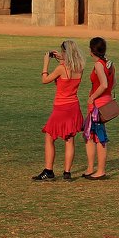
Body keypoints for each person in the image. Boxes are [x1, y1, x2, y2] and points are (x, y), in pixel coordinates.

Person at [33, 40, 85, 181]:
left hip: (61, 107)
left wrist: (46, 63)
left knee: (49, 137)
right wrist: (61, 58)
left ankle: (48, 170)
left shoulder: (61, 68)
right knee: (69, 139)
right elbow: (70, 67)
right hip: (74, 106)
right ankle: (67, 172)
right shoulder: (80, 67)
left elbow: (45, 80)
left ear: (64, 52)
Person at [81, 36, 115, 180]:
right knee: (90, 135)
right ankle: (90, 168)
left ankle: (100, 170)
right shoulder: (110, 64)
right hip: (105, 102)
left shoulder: (99, 65)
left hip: (97, 105)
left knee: (99, 135)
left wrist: (93, 97)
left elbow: (104, 84)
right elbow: (113, 83)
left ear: (91, 50)